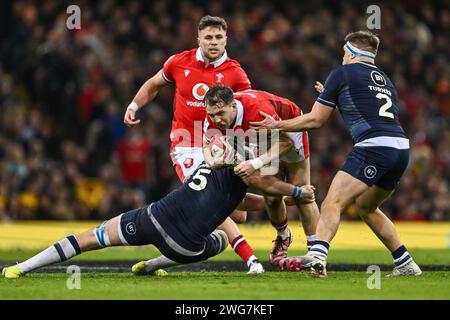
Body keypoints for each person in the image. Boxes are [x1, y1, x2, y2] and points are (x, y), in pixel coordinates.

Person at [250, 30, 422, 277]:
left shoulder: (342, 74)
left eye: (344, 54)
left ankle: (317, 256)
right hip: (400, 148)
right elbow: (365, 107)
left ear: (351, 54)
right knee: (366, 207)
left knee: (333, 202)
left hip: (373, 147)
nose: (342, 59)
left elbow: (315, 121)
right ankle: (405, 263)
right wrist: (330, 93)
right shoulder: (385, 79)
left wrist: (275, 125)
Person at [2, 161, 315, 279]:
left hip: (152, 217)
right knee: (220, 237)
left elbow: (250, 202)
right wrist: (297, 193)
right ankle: (152, 265)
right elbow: (262, 197)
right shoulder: (244, 176)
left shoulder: (213, 165)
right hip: (183, 247)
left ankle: (21, 268)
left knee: (89, 238)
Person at [123, 15, 265, 273]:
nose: (213, 42)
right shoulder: (179, 62)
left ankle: (284, 200)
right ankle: (251, 258)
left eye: (218, 37)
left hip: (221, 144)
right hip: (186, 143)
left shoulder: (235, 72)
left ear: (226, 40)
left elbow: (248, 106)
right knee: (212, 200)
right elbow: (154, 84)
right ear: (198, 39)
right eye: (208, 37)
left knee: (239, 213)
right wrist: (134, 105)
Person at [202, 85, 320, 268]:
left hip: (290, 130)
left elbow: (286, 142)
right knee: (271, 198)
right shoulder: (212, 114)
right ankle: (283, 236)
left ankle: (316, 253)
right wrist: (212, 162)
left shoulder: (257, 110)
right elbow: (205, 142)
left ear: (233, 107)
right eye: (211, 115)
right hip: (261, 138)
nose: (216, 120)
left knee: (303, 196)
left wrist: (255, 163)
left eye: (220, 113)